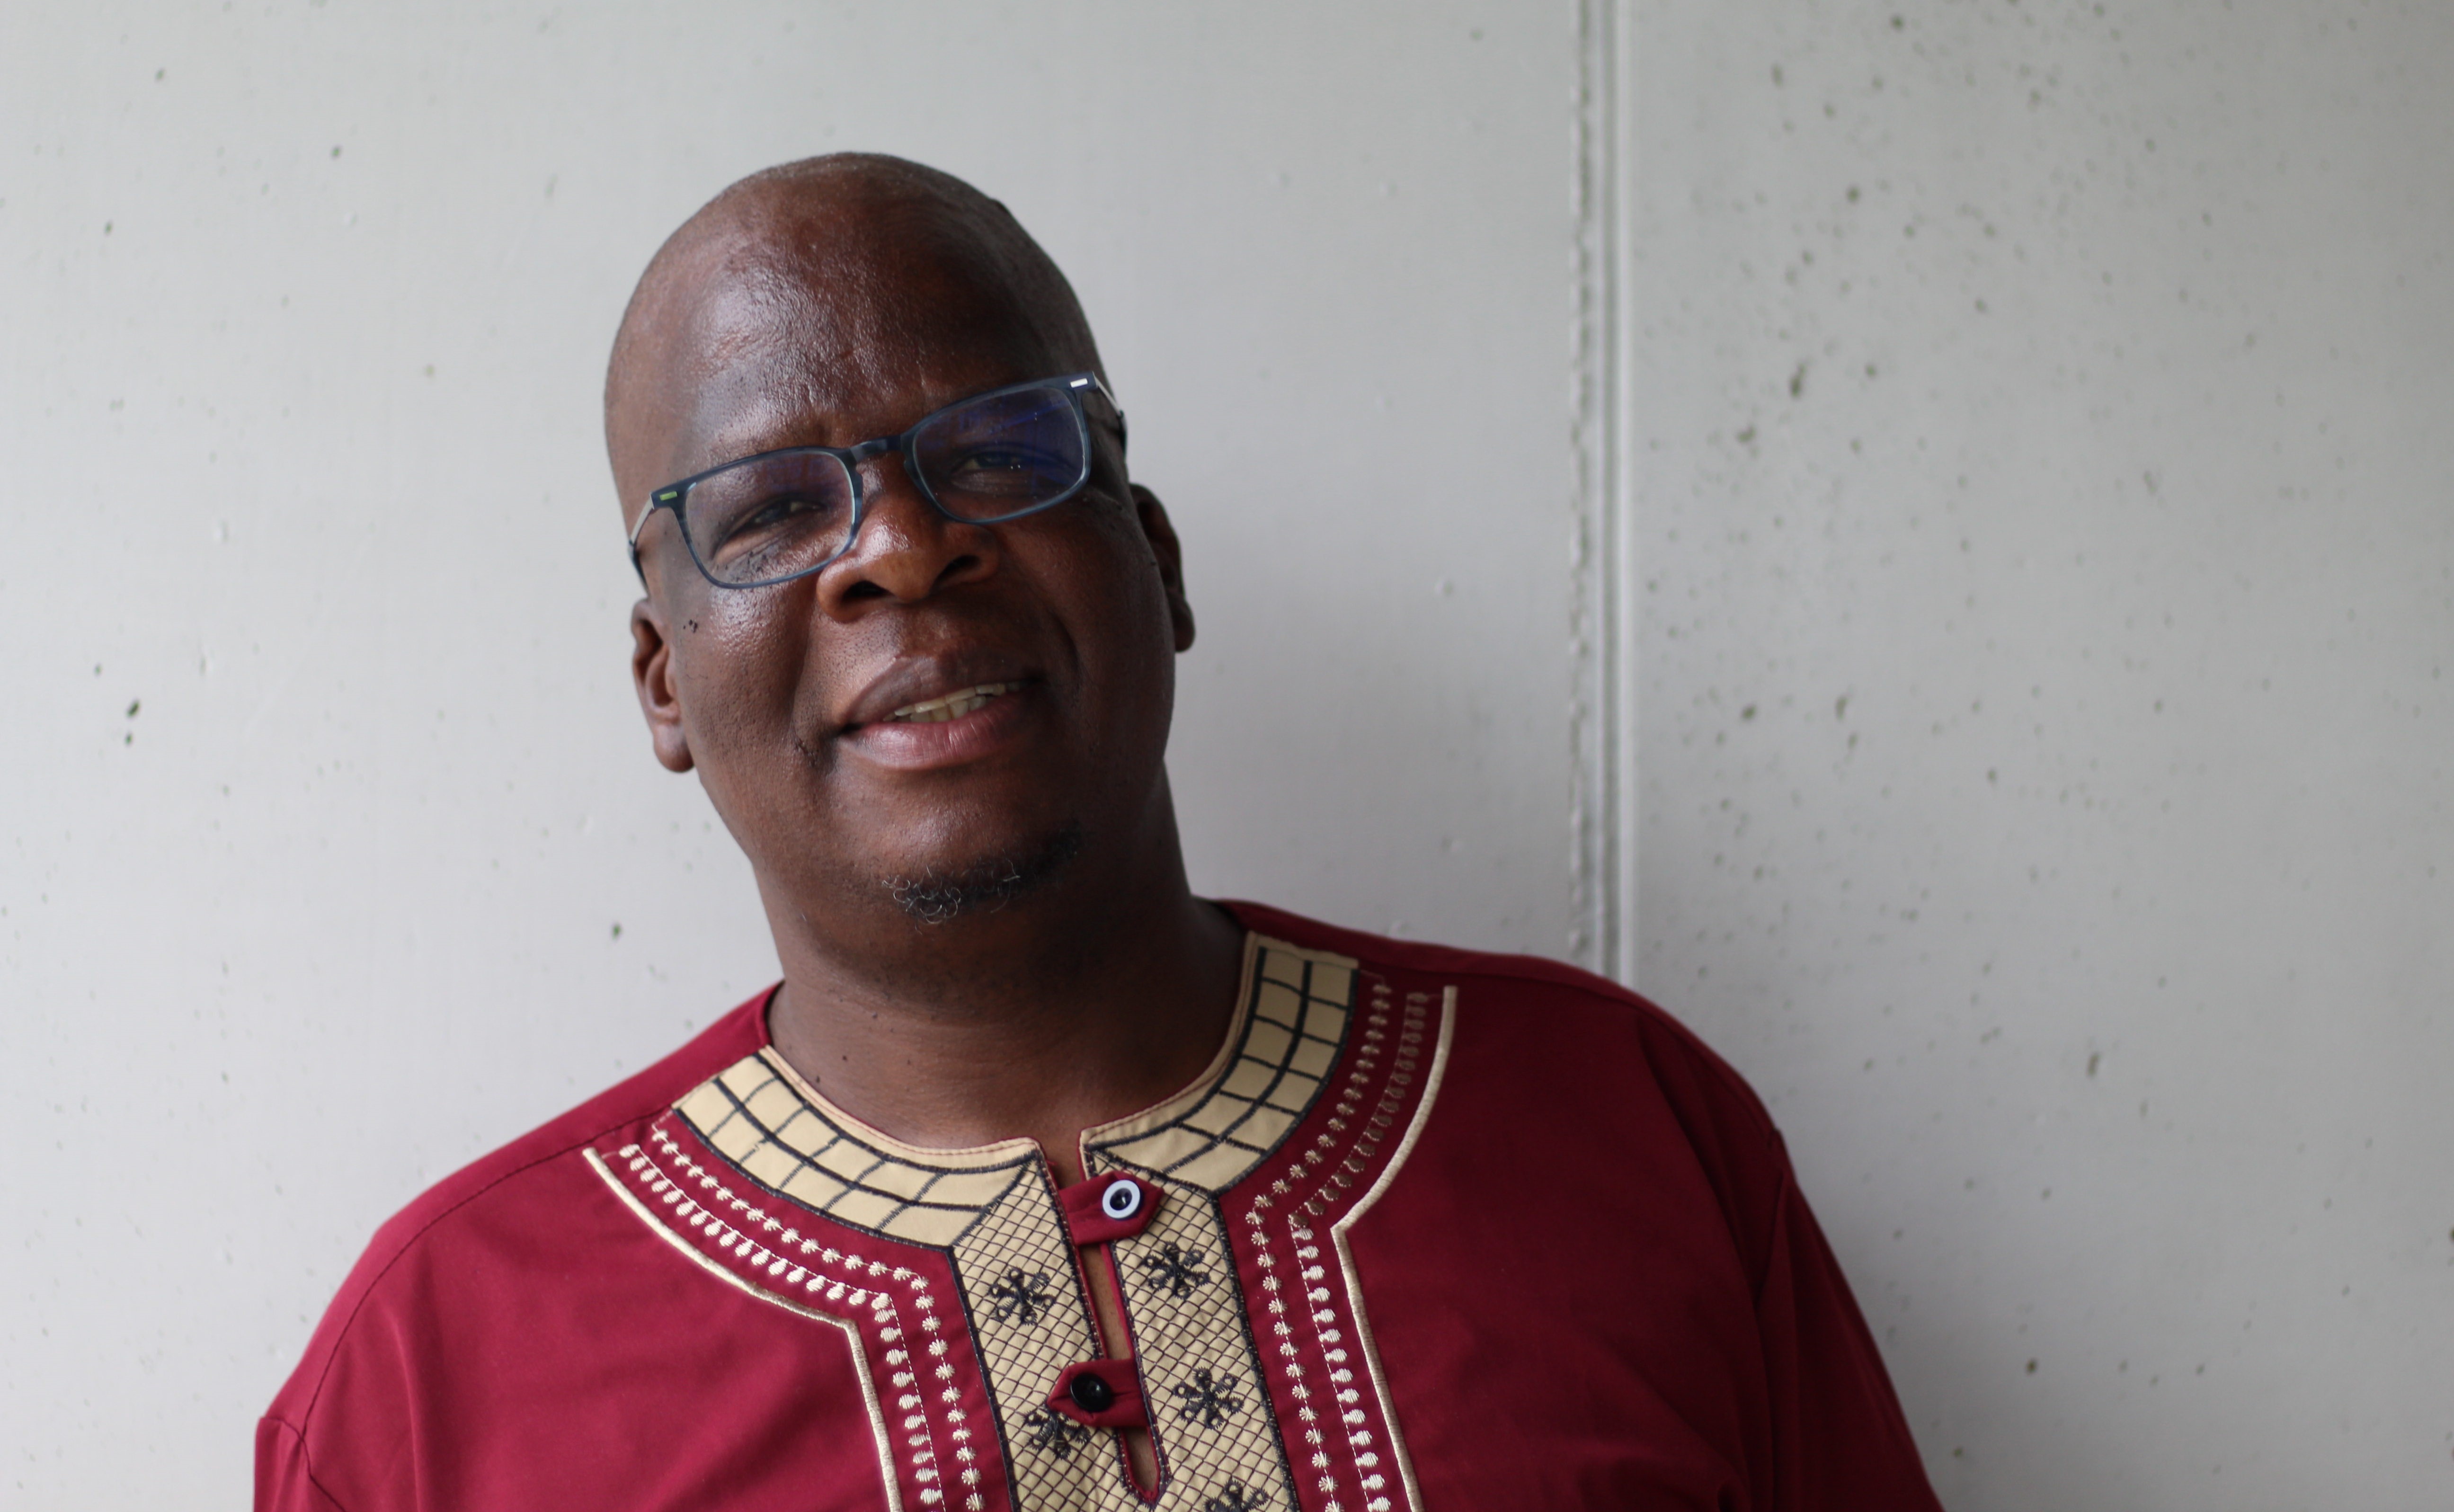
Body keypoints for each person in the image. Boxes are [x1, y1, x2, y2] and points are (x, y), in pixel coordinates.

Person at [258, 154, 1943, 1512]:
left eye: (999, 452)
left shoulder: (1631, 1130)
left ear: (1158, 563)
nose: (902, 549)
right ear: (664, 685)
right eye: (771, 510)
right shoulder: (435, 1372)